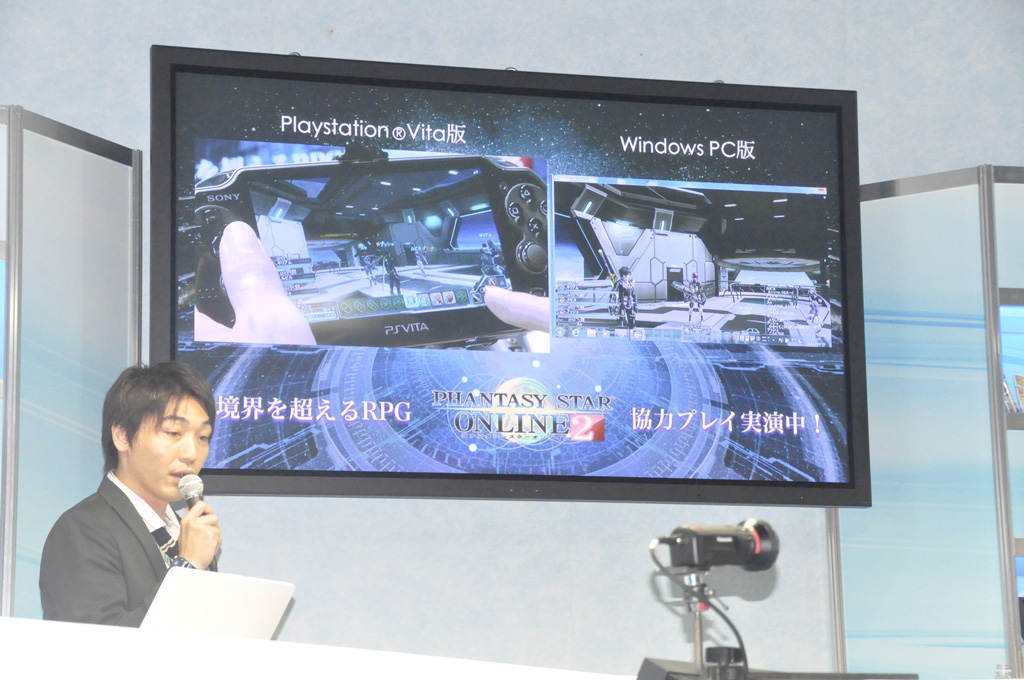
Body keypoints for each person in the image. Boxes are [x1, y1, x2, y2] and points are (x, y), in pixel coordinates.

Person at [38, 361, 221, 626]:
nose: (191, 453)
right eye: (173, 433)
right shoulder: (81, 529)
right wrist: (188, 565)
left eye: (202, 437)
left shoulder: (186, 532)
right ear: (122, 436)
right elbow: (101, 642)